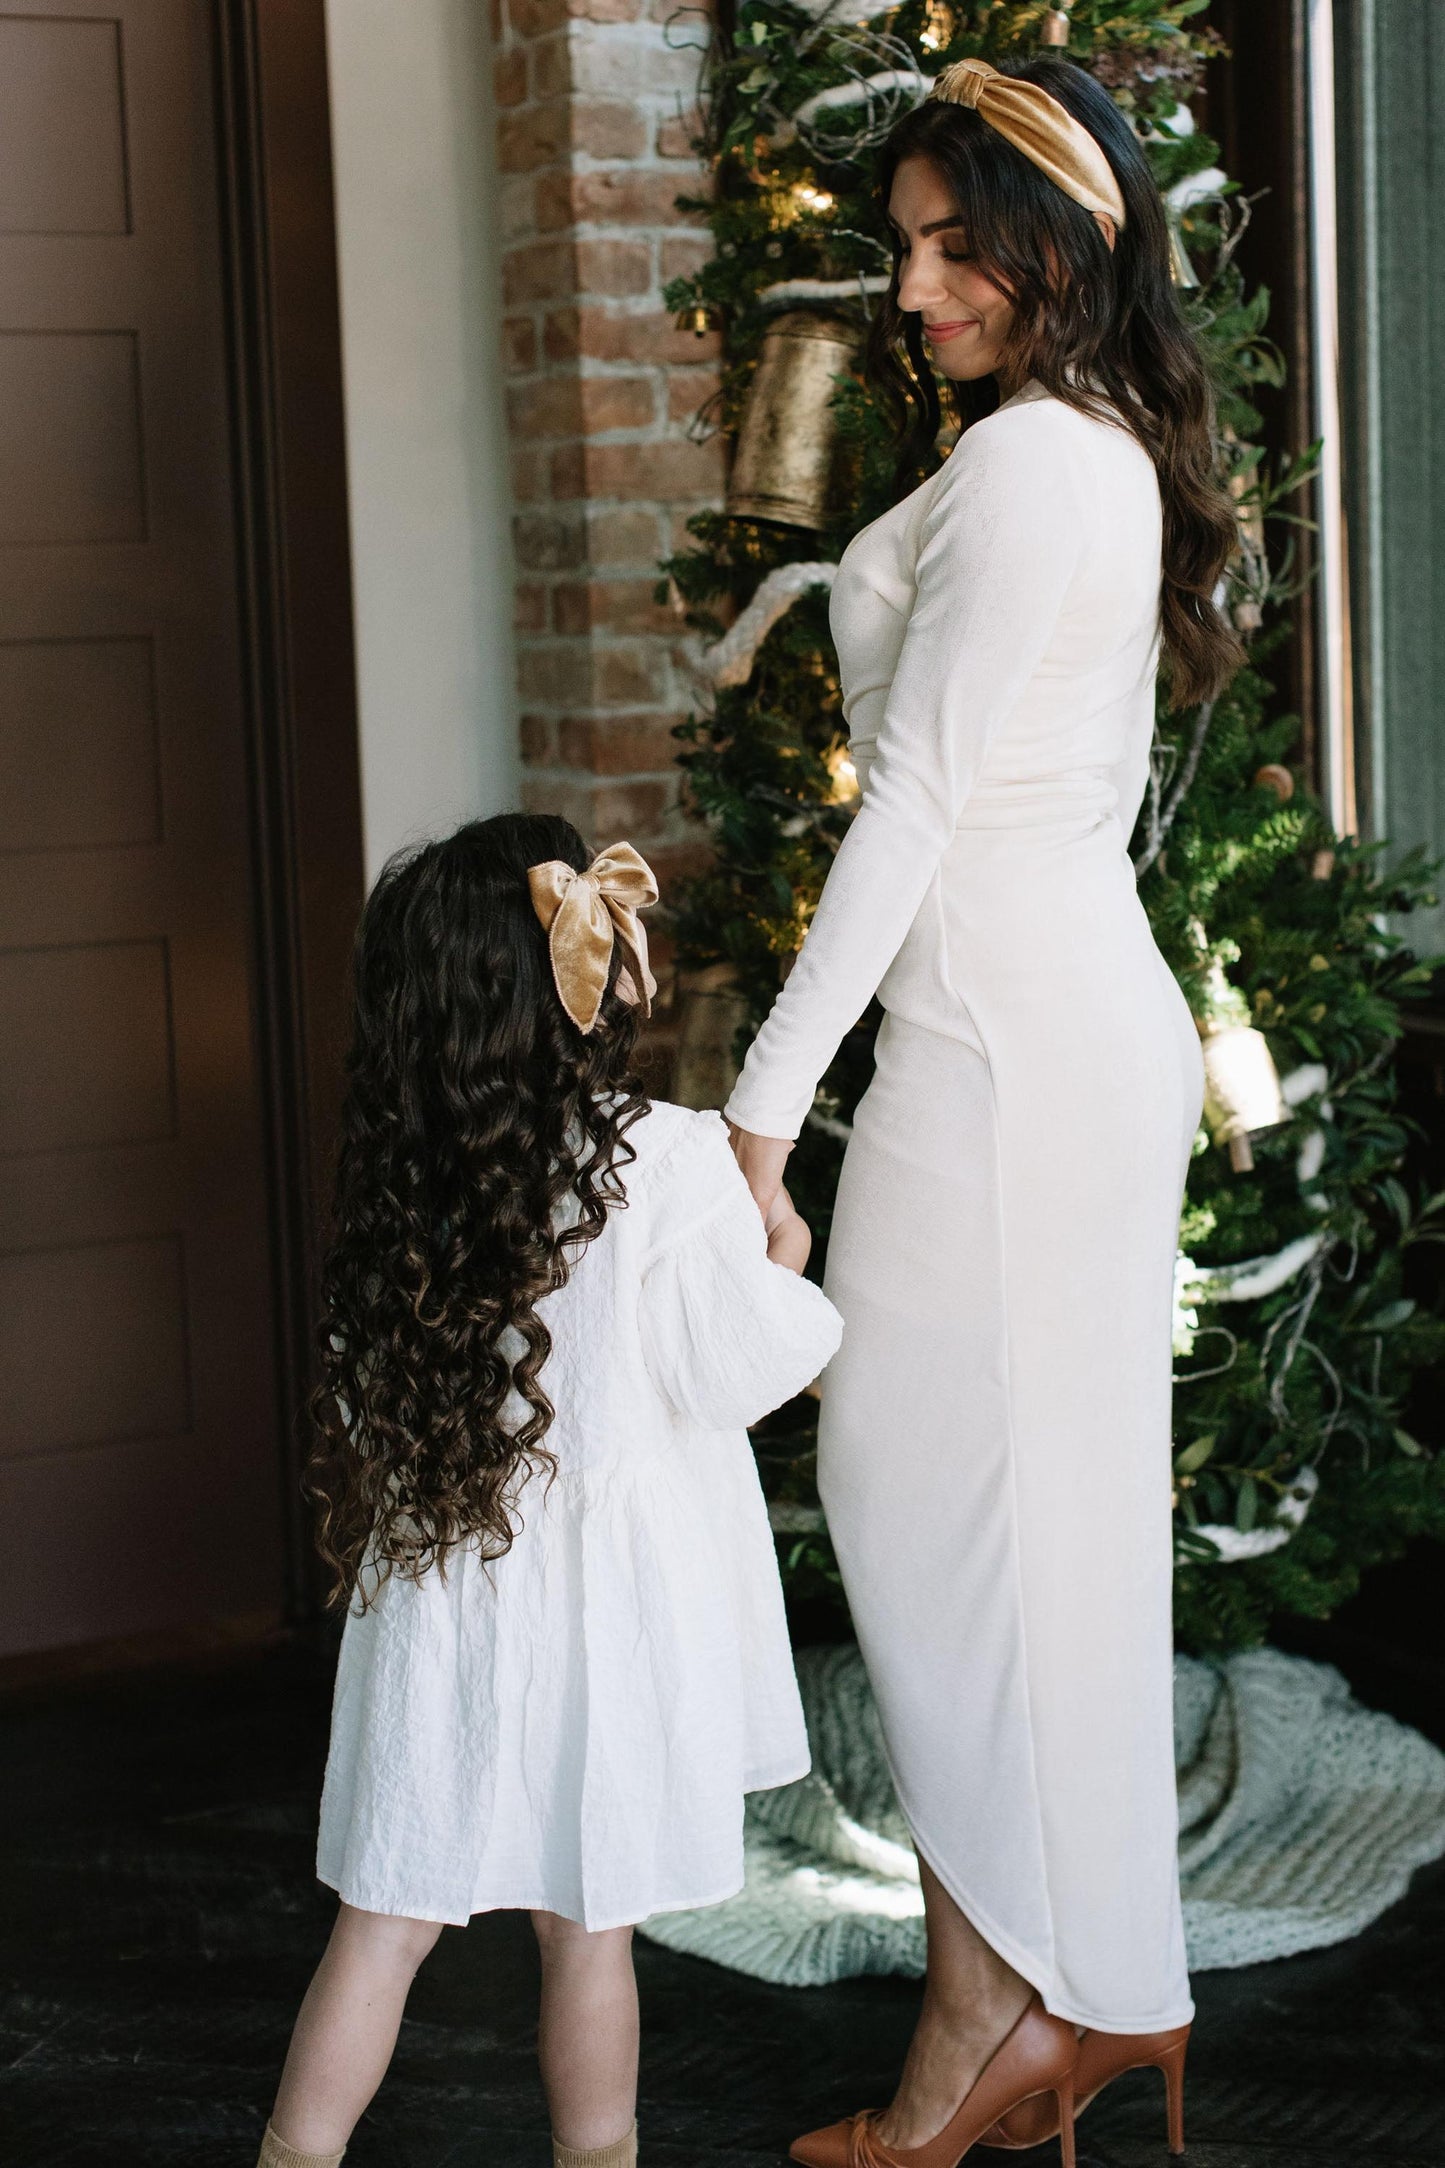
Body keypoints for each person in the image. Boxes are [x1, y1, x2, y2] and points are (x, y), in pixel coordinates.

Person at [724, 56, 1242, 2168]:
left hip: (1013, 1059)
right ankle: (1058, 1997)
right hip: (1023, 1038)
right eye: (909, 244)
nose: (915, 287)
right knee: (999, 1534)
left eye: (957, 247)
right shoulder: (1048, 448)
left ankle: (998, 2014)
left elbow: (920, 799)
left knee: (939, 1521)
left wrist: (762, 1114)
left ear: (1064, 244)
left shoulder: (1044, 466)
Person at [256, 813, 842, 2168]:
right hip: (615, 1623)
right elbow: (741, 1366)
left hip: (445, 1599)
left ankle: (293, 2152)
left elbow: (369, 1391)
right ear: (586, 977)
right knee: (591, 1941)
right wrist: (787, 1255)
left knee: (383, 1923)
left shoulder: (409, 1181)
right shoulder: (673, 1163)